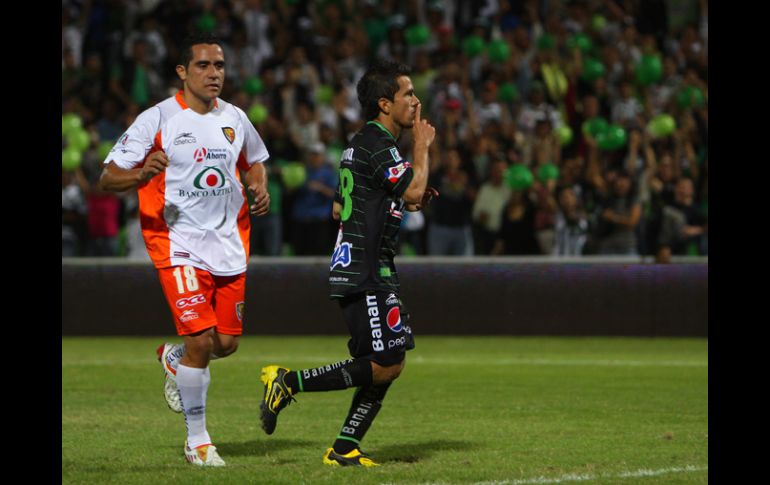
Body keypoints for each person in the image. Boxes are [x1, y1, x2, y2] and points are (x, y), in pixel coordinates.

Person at [98, 33, 271, 467]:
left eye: (220, 66)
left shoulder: (235, 117)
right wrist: (139, 175)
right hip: (177, 244)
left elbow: (256, 160)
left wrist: (259, 185)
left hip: (229, 242)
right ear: (182, 72)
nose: (214, 74)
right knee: (200, 339)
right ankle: (198, 441)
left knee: (225, 344)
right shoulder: (156, 119)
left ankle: (176, 360)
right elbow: (107, 177)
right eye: (204, 66)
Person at [258, 59, 437, 467]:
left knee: (389, 362)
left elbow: (345, 208)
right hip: (365, 268)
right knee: (384, 362)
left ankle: (344, 447)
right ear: (384, 104)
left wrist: (405, 196)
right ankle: (287, 382)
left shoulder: (363, 144)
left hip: (369, 265)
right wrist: (422, 148)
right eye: (407, 94)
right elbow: (412, 188)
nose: (416, 101)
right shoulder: (377, 144)